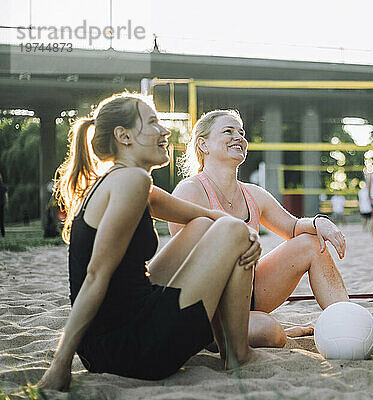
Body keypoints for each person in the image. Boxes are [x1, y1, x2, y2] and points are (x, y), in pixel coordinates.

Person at [38, 93, 265, 391]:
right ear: (124, 136)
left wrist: (230, 224)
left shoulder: (120, 179)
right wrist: (60, 364)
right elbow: (94, 275)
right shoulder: (133, 180)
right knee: (233, 230)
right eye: (153, 122)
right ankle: (238, 353)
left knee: (209, 225)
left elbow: (201, 215)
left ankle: (227, 343)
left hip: (106, 347)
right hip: (133, 346)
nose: (165, 131)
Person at [168, 109, 349, 349]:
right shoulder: (190, 190)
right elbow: (184, 269)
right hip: (207, 305)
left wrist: (318, 222)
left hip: (247, 294)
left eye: (241, 133)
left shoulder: (252, 193)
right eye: (228, 131)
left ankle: (349, 323)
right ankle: (220, 334)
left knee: (312, 242)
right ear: (203, 144)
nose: (239, 137)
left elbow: (293, 227)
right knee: (271, 333)